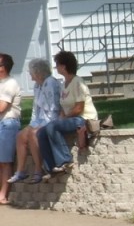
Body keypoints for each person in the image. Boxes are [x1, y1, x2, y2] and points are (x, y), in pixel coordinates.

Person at [41, 50, 98, 178]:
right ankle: (51, 167)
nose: (56, 67)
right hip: (71, 118)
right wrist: (61, 118)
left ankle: (65, 160)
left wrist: (62, 119)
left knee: (52, 126)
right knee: (42, 132)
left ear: (64, 66)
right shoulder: (64, 84)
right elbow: (63, 107)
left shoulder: (78, 82)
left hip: (83, 119)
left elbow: (79, 108)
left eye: (57, 64)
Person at [8, 58, 62, 186]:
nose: (31, 76)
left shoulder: (51, 83)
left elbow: (54, 109)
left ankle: (39, 169)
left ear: (38, 73)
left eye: (31, 73)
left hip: (51, 120)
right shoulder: (38, 85)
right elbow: (35, 108)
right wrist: (32, 123)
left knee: (33, 133)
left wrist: (38, 126)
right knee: (21, 135)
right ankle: (20, 171)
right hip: (40, 119)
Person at [0, 53, 23, 204]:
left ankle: (3, 195)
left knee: (5, 161)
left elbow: (2, 107)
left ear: (3, 68)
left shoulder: (10, 84)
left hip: (8, 123)